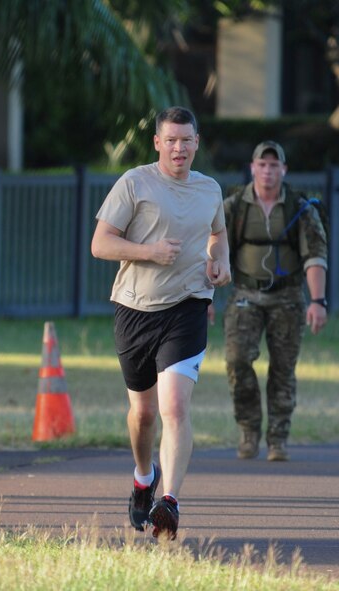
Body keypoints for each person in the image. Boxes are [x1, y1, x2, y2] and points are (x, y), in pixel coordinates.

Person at [90, 106, 230, 540]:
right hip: (135, 309)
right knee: (144, 413)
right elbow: (100, 244)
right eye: (171, 140)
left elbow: (218, 234)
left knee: (175, 407)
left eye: (187, 140)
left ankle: (169, 501)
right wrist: (149, 252)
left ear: (197, 143)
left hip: (188, 306)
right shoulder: (135, 182)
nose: (179, 148)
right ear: (157, 143)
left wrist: (220, 262)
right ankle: (142, 476)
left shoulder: (209, 189)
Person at [212, 140, 328, 462]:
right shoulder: (234, 207)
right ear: (252, 168)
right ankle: (248, 430)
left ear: (284, 170)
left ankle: (278, 438)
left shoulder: (301, 208)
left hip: (288, 297)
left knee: (283, 368)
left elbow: (315, 256)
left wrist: (318, 301)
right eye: (262, 165)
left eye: (274, 165)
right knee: (237, 360)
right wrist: (204, 297)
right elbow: (212, 250)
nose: (267, 171)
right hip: (245, 294)